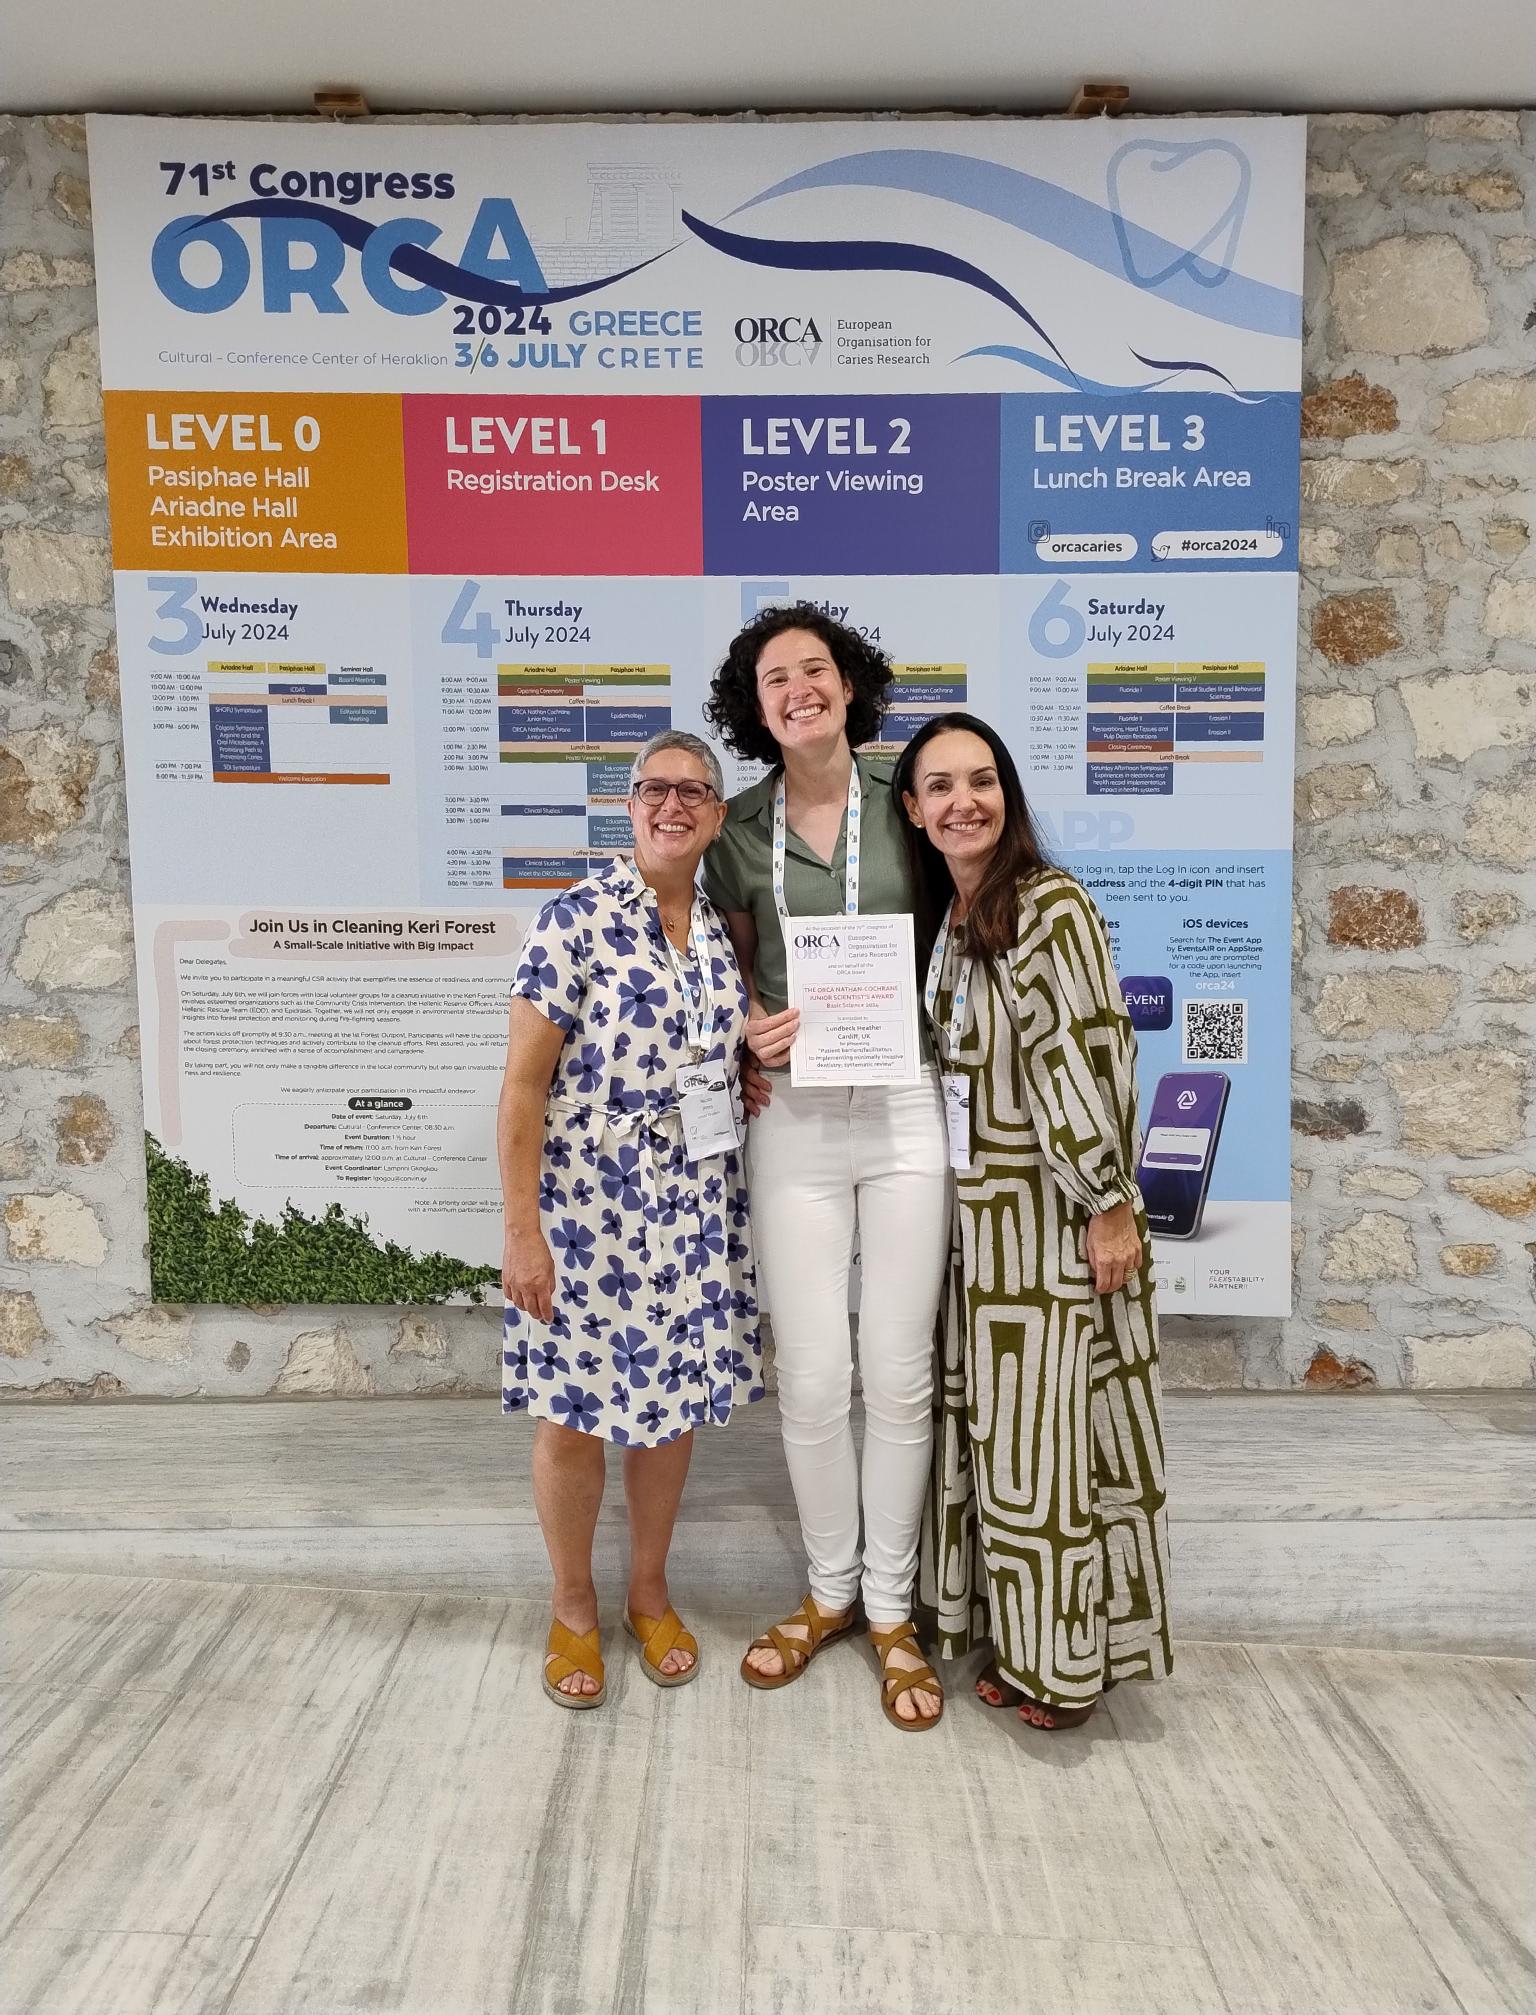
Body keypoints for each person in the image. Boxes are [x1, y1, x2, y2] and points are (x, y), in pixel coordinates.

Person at [893, 711, 1173, 1730]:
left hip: (1054, 1226)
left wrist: (1108, 1205)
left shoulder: (1048, 904)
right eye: (940, 785)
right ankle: (1017, 1642)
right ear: (914, 813)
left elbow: (1090, 1060)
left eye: (981, 779)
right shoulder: (961, 920)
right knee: (1009, 1454)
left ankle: (1068, 1668)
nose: (963, 799)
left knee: (1055, 1456)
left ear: (1006, 793)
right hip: (984, 1237)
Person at [703, 604, 949, 1730]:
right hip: (795, 1120)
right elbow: (733, 971)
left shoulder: (911, 799)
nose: (797, 688)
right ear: (754, 709)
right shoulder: (735, 828)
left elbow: (970, 927)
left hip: (904, 1108)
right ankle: (829, 1590)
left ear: (850, 684)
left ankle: (893, 1610)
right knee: (810, 1375)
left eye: (815, 669)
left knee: (896, 1372)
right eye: (774, 678)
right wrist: (750, 1027)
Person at [499, 729, 763, 1708]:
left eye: (695, 789)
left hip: (693, 1212)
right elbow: (522, 1088)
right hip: (585, 1218)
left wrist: (751, 1072)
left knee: (669, 1414)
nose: (673, 803)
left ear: (717, 813)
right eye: (655, 787)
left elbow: (714, 1059)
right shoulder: (572, 919)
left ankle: (650, 1590)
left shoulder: (723, 936)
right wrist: (522, 1228)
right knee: (570, 1420)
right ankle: (574, 1606)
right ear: (629, 802)